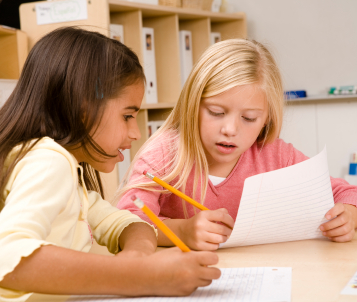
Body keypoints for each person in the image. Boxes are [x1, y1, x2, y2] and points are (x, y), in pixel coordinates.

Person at [0, 27, 221, 302]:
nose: (136, 133)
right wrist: (140, 275)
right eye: (128, 116)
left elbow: (126, 223)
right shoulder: (48, 162)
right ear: (83, 108)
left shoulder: (61, 170)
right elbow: (8, 260)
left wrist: (136, 257)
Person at [116, 39, 357, 251]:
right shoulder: (164, 155)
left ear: (266, 119)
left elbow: (346, 192)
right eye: (216, 112)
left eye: (249, 118)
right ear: (192, 104)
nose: (230, 129)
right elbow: (126, 222)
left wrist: (349, 214)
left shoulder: (274, 155)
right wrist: (182, 231)